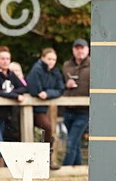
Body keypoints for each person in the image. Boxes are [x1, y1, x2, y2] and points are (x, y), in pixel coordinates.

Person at [27, 48, 65, 170]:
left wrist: (47, 93)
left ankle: (46, 159)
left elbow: (60, 89)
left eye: (54, 59)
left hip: (42, 109)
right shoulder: (36, 70)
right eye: (49, 59)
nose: (51, 62)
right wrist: (44, 93)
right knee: (46, 129)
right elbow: (35, 90)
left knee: (48, 130)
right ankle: (41, 160)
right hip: (31, 109)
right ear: (42, 58)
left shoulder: (55, 72)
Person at [62, 38, 91, 166]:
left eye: (82, 48)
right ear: (73, 50)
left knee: (71, 142)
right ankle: (77, 168)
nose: (80, 51)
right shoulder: (66, 66)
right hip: (68, 109)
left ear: (87, 49)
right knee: (75, 143)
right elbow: (59, 85)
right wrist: (66, 85)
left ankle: (65, 168)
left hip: (84, 111)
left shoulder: (94, 65)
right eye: (77, 48)